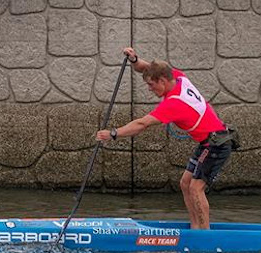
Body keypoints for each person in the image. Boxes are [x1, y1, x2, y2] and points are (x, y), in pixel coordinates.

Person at [96, 48, 236, 230]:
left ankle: (204, 234)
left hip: (217, 144)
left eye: (151, 85)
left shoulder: (174, 103)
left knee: (195, 188)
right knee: (185, 183)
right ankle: (196, 227)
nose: (150, 89)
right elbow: (147, 67)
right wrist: (134, 59)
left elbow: (141, 124)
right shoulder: (179, 77)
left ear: (162, 81)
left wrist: (113, 133)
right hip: (209, 142)